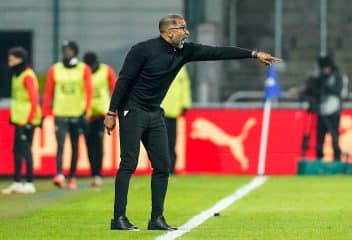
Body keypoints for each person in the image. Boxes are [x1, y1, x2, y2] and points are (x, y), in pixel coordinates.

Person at [104, 14, 281, 231]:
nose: (187, 33)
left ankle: (156, 219)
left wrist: (253, 54)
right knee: (128, 164)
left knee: (162, 166)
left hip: (154, 113)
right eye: (182, 29)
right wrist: (112, 112)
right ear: (169, 32)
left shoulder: (185, 51)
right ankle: (118, 219)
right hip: (132, 111)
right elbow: (124, 80)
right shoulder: (142, 50)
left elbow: (217, 52)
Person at [42, 41, 93, 190]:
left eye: (69, 50)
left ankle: (72, 176)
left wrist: (86, 111)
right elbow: (48, 92)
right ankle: (59, 174)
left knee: (75, 146)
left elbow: (88, 91)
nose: (66, 53)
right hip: (60, 112)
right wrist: (45, 112)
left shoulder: (84, 69)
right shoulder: (55, 69)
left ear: (75, 51)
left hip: (77, 113)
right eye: (64, 50)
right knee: (60, 145)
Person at [1, 47, 41, 195]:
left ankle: (30, 183)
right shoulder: (17, 76)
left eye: (12, 58)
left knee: (25, 151)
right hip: (19, 120)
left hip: (27, 120)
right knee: (17, 151)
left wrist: (29, 120)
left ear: (20, 59)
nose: (9, 61)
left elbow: (34, 99)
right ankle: (17, 182)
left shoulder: (27, 76)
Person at [83, 52, 116, 187]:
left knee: (98, 144)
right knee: (89, 145)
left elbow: (114, 89)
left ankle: (97, 174)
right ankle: (93, 173)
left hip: (102, 113)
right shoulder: (82, 72)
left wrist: (113, 110)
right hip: (86, 113)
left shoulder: (106, 70)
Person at [306, 56, 343, 161]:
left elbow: (337, 91)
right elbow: (312, 92)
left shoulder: (337, 77)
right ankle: (319, 160)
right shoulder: (319, 79)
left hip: (333, 113)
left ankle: (337, 160)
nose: (324, 70)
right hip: (321, 112)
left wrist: (325, 85)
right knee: (319, 139)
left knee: (334, 138)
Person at [161, 66, 191, 174]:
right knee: (160, 141)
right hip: (159, 109)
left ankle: (170, 168)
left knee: (171, 141)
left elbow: (185, 86)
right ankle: (162, 168)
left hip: (173, 110)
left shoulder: (181, 66)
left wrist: (184, 104)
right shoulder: (158, 62)